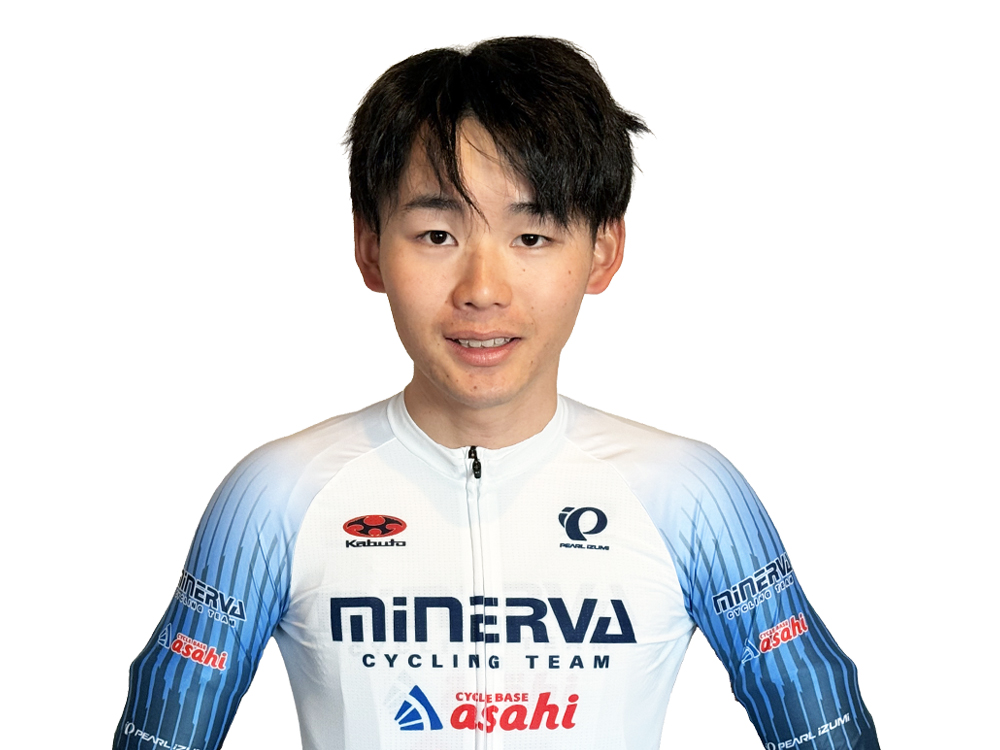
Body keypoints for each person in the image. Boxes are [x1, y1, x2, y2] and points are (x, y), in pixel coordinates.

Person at [114, 37, 879, 750]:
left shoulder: (689, 493)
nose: (483, 289)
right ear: (370, 247)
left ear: (603, 250)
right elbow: (167, 718)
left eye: (531, 237)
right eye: (437, 236)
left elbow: (816, 704)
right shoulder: (276, 494)